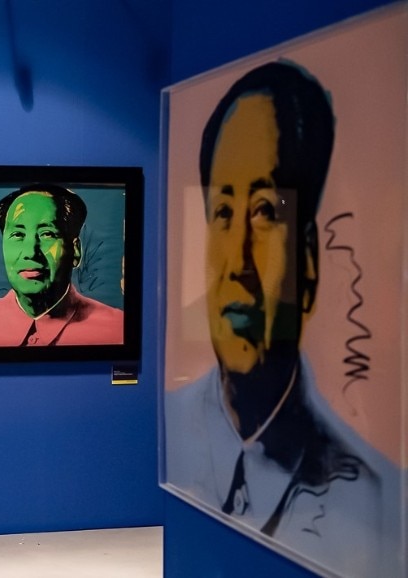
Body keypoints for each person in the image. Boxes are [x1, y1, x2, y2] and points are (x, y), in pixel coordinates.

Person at [165, 61, 382, 575]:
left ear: (308, 264)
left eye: (265, 211)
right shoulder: (171, 430)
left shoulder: (368, 501)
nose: (237, 262)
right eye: (222, 213)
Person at [0, 183, 123, 347]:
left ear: (76, 251)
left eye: (47, 234)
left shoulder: (116, 329)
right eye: (18, 235)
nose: (30, 252)